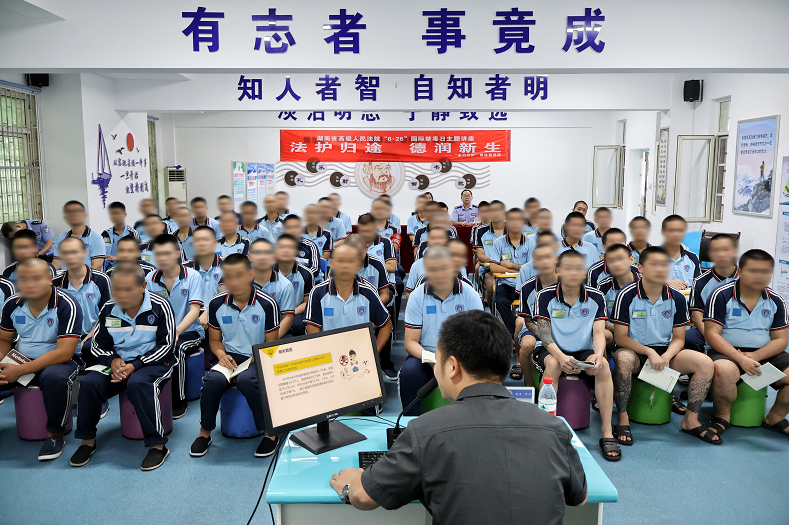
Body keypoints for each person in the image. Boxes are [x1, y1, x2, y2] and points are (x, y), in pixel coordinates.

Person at [329, 309, 589, 524]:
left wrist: (350, 485)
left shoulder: (425, 432)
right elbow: (581, 497)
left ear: (452, 367)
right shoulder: (555, 428)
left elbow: (363, 497)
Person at [70, 263, 176, 470]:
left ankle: (157, 445)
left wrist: (135, 365)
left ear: (143, 286)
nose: (122, 295)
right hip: (119, 363)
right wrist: (112, 360)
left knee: (138, 384)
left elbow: (167, 345)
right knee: (90, 383)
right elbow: (98, 344)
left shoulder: (160, 305)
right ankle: (87, 441)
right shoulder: (109, 308)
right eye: (117, 289)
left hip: (154, 362)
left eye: (128, 289)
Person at [610, 246, 717, 446]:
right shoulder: (626, 295)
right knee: (623, 359)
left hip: (666, 352)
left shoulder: (677, 297)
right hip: (635, 351)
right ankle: (622, 417)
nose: (660, 269)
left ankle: (690, 420)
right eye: (654, 264)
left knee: (705, 363)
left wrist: (667, 356)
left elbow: (679, 338)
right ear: (640, 268)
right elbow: (621, 338)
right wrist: (649, 352)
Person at [530, 250, 619, 461]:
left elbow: (599, 333)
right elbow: (545, 335)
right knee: (553, 364)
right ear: (558, 270)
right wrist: (562, 357)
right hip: (552, 349)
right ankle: (546, 428)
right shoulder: (545, 296)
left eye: (578, 268)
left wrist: (598, 355)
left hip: (582, 349)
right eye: (568, 268)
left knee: (603, 366)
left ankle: (606, 431)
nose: (573, 272)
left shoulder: (596, 296)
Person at [190, 254, 281, 458]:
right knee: (212, 382)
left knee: (248, 381)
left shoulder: (267, 304)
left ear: (250, 275)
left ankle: (270, 433)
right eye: (229, 276)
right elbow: (215, 340)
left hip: (259, 355)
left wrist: (255, 358)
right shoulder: (216, 303)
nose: (234, 281)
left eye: (239, 275)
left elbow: (271, 345)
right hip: (229, 356)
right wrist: (221, 355)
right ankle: (205, 433)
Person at [0, 259, 82, 461]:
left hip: (59, 362)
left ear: (48, 278)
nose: (29, 284)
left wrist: (19, 371)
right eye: (23, 279)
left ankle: (55, 435)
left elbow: (64, 352)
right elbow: (4, 340)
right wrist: (2, 363)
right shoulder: (12, 304)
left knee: (54, 378)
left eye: (35, 278)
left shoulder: (67, 304)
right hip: (21, 358)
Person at [704, 249, 789, 441]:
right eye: (754, 270)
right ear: (740, 271)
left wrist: (756, 356)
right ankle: (722, 417)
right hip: (727, 351)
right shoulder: (721, 295)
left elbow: (781, 340)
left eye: (765, 271)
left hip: (764, 352)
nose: (760, 276)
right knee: (723, 370)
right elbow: (711, 335)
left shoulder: (776, 300)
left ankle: (775, 418)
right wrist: (740, 358)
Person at [401, 247, 483, 415]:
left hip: (462, 356)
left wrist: (455, 361)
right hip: (427, 356)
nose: (439, 274)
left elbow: (478, 338)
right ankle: (411, 422)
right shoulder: (417, 296)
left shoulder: (470, 295)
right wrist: (434, 360)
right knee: (409, 373)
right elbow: (410, 342)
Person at [145, 234, 205, 419]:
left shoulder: (192, 276)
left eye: (167, 253)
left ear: (178, 253)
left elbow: (195, 311)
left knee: (177, 349)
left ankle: (178, 401)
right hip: (162, 332)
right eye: (158, 254)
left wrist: (176, 331)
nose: (162, 258)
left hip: (190, 331)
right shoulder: (150, 278)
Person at [304, 245, 392, 350]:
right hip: (329, 353)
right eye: (340, 261)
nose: (345, 266)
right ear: (332, 264)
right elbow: (312, 331)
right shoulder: (317, 292)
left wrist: (374, 353)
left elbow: (386, 325)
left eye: (350, 261)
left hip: (360, 353)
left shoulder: (368, 292)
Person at [52, 237, 112, 362]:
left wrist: (91, 335)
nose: (70, 257)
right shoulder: (54, 283)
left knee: (89, 350)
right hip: (64, 337)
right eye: (65, 253)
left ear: (85, 252)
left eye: (74, 252)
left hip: (93, 335)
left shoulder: (101, 280)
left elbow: (108, 314)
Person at [687, 234, 739, 352]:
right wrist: (712, 338)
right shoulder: (700, 281)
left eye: (726, 249)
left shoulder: (748, 278)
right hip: (709, 330)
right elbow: (696, 316)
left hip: (740, 330)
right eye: (716, 250)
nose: (721, 254)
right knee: (687, 338)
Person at [517, 243, 559, 388]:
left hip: (562, 328)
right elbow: (528, 321)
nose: (544, 262)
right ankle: (530, 383)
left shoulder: (567, 284)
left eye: (548, 257)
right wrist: (544, 334)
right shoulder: (527, 288)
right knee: (527, 344)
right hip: (535, 329)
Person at [490, 208, 530, 336]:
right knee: (500, 301)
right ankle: (514, 334)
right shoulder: (498, 243)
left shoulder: (531, 243)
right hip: (507, 284)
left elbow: (532, 267)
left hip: (526, 284)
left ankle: (528, 332)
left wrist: (508, 264)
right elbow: (493, 267)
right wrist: (518, 268)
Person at [249, 238, 295, 338]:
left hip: (276, 334)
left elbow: (287, 317)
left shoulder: (285, 285)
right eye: (257, 253)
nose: (262, 257)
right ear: (250, 257)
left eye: (267, 253)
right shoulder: (242, 283)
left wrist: (269, 342)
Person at [274, 234, 314, 337]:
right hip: (272, 315)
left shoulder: (306, 274)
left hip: (295, 314)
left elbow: (307, 302)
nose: (286, 250)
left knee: (297, 326)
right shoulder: (268, 272)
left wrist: (290, 313)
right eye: (282, 247)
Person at [184, 226, 223, 328]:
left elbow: (227, 294)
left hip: (221, 314)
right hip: (190, 318)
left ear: (215, 242)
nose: (201, 243)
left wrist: (207, 313)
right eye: (197, 240)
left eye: (206, 239)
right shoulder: (184, 269)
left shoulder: (228, 265)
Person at [53, 200, 106, 271]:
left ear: (84, 216)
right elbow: (56, 263)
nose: (73, 215)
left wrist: (77, 276)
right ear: (65, 217)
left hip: (89, 277)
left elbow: (97, 267)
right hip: (64, 277)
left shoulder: (96, 238)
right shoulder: (60, 238)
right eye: (69, 212)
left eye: (77, 211)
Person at [342, 234, 391, 307]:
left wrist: (372, 307)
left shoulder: (378, 265)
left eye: (359, 254)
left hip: (372, 306)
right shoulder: (338, 266)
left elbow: (385, 294)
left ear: (367, 247)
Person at [474, 200, 506, 307]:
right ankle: (492, 312)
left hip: (510, 270)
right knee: (490, 285)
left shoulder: (512, 229)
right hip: (489, 269)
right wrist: (498, 262)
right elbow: (480, 255)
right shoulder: (481, 230)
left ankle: (511, 312)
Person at [596, 244, 640, 317]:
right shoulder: (603, 287)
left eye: (620, 259)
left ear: (631, 260)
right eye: (611, 260)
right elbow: (599, 317)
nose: (616, 264)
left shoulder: (647, 282)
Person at [406, 228, 449, 296]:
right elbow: (409, 294)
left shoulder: (457, 265)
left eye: (441, 238)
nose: (437, 242)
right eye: (433, 238)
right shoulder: (416, 265)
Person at [662, 214, 700, 289]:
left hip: (687, 296)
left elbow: (699, 284)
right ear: (663, 232)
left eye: (680, 231)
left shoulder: (692, 257)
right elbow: (642, 279)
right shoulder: (652, 256)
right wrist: (666, 282)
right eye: (671, 230)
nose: (676, 234)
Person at [102, 201, 140, 268]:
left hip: (128, 268)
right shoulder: (105, 234)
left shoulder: (133, 233)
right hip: (108, 269)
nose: (115, 216)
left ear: (125, 215)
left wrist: (115, 258)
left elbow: (137, 255)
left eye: (117, 213)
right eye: (112, 214)